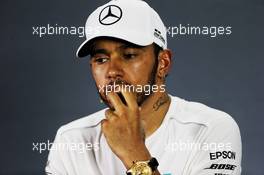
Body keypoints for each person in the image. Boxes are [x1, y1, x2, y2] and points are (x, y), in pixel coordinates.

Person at [45, 0, 242, 175]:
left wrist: (134, 153)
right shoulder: (70, 140)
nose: (112, 71)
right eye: (101, 59)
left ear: (163, 63)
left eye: (129, 55)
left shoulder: (211, 129)